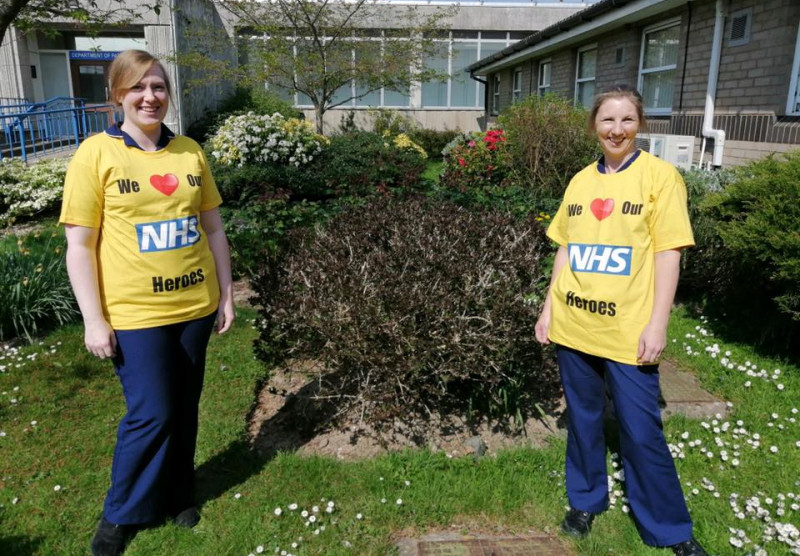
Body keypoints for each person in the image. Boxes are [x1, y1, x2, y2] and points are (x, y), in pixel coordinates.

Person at [60, 49, 234, 556]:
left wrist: (225, 294)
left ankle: (179, 493)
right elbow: (79, 245)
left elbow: (214, 228)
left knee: (183, 407)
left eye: (158, 87)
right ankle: (120, 516)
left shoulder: (189, 152)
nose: (149, 97)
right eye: (137, 87)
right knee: (151, 413)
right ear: (117, 95)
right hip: (136, 314)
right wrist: (94, 320)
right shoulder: (96, 154)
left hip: (194, 307)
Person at [534, 85, 707, 556]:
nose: (616, 130)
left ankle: (670, 528)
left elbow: (669, 254)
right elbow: (566, 249)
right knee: (584, 422)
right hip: (574, 324)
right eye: (607, 120)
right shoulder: (579, 182)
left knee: (640, 430)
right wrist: (549, 308)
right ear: (594, 125)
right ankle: (586, 501)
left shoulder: (661, 178)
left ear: (640, 124)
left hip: (628, 330)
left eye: (627, 120)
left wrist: (658, 324)